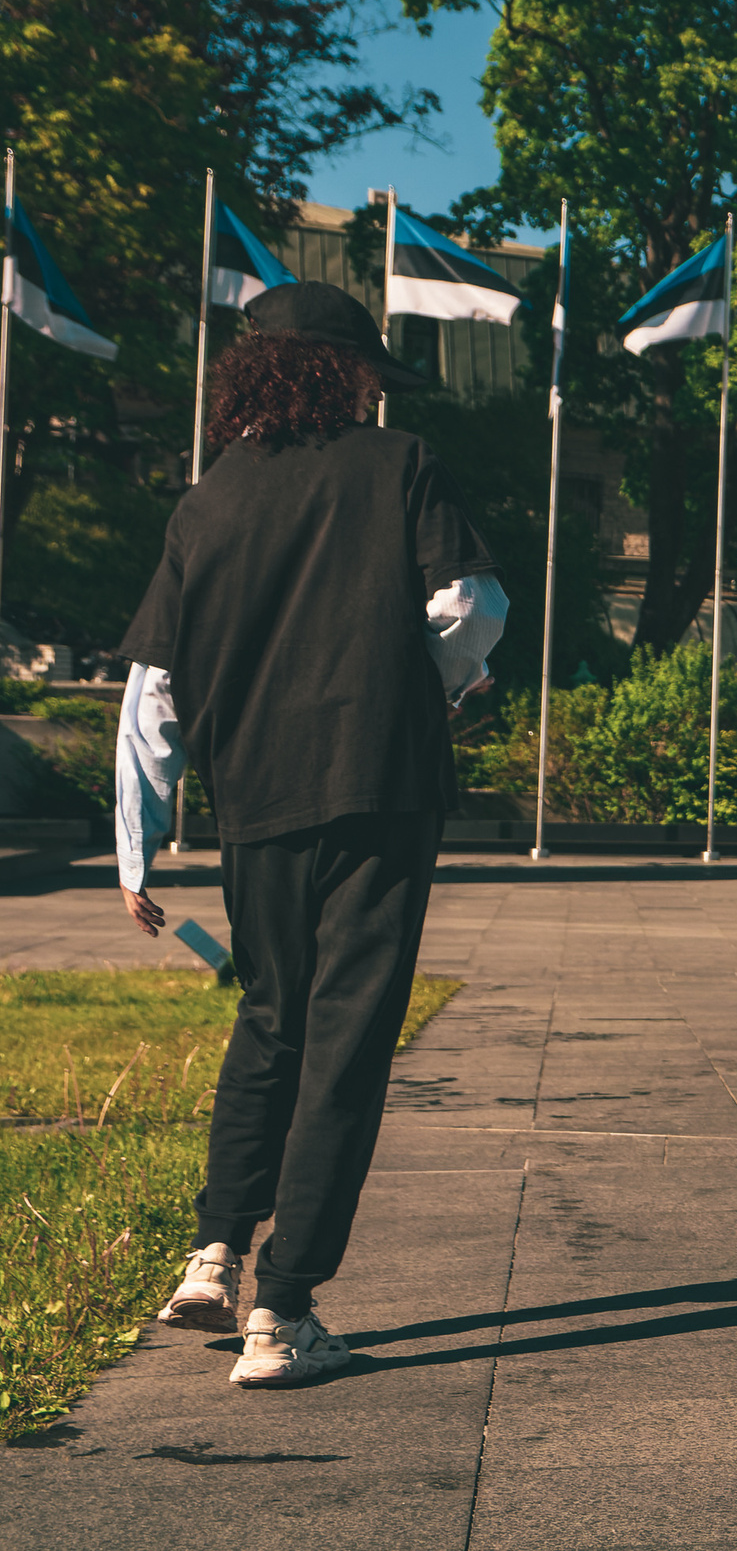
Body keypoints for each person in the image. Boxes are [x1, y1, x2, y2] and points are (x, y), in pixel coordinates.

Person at [118, 281, 507, 1388]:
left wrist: (137, 849)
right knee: (348, 1036)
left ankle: (214, 1251)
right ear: (346, 374)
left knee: (270, 1016)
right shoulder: (400, 464)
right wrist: (432, 686)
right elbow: (471, 605)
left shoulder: (207, 500)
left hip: (254, 798)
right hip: (380, 784)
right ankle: (282, 1313)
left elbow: (153, 693)